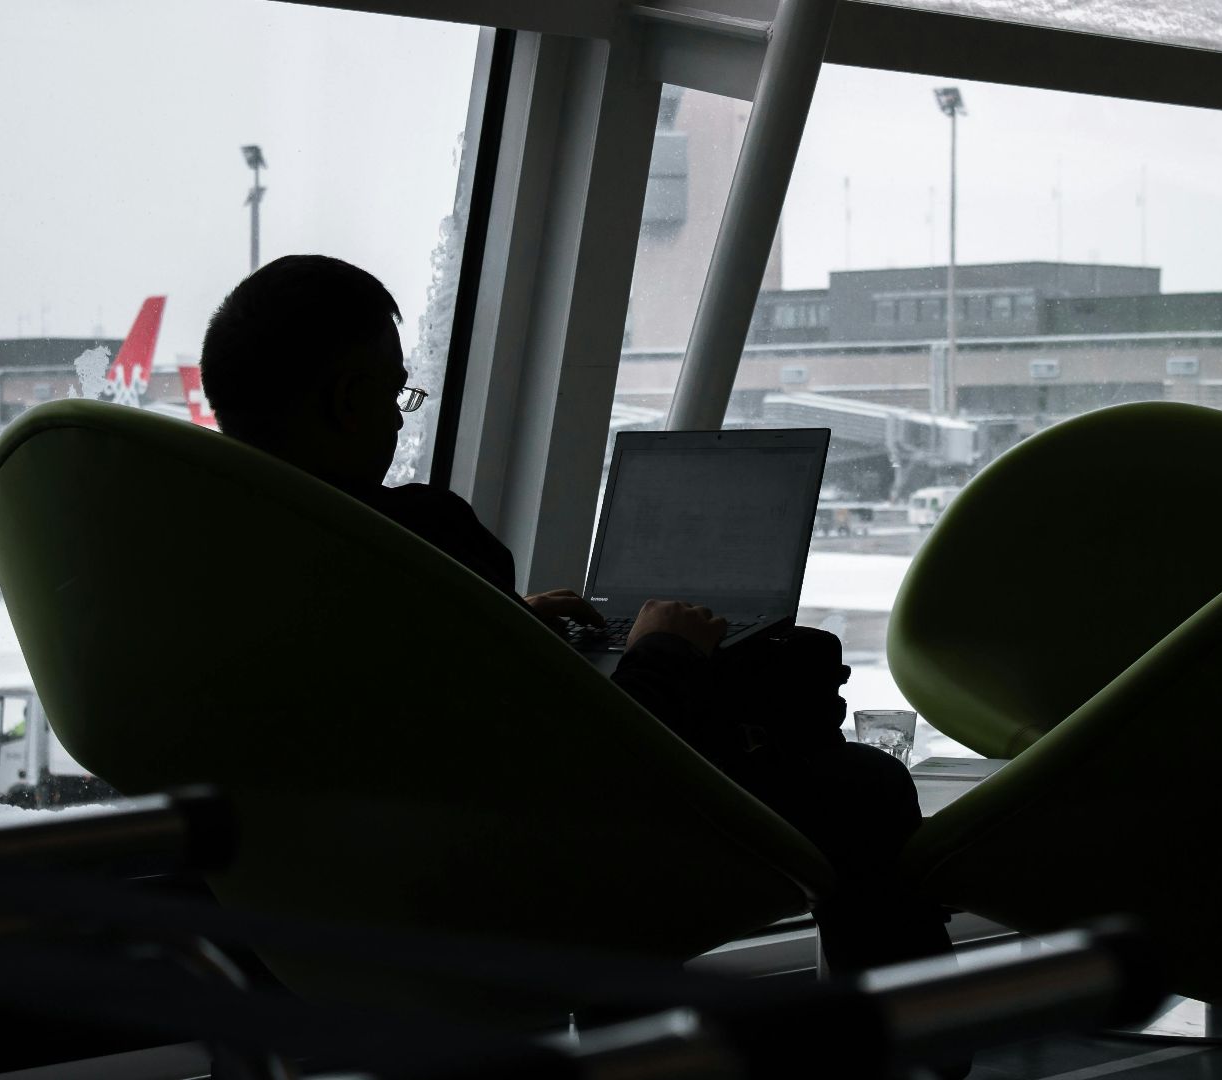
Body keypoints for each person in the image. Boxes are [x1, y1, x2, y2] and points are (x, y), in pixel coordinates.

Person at [197, 254, 952, 979]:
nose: (400, 421)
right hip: (508, 878)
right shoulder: (420, 538)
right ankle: (920, 1046)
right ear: (348, 399)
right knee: (863, 785)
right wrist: (664, 651)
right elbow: (598, 779)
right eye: (395, 394)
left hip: (317, 877)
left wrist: (505, 623)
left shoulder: (207, 553)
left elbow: (390, 689)